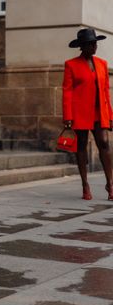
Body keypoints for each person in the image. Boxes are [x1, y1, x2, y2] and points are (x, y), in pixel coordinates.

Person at [62, 28, 113, 201]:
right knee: (81, 146)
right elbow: (67, 92)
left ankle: (110, 184)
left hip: (99, 112)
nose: (94, 46)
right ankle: (85, 184)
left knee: (104, 144)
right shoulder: (71, 64)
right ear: (82, 47)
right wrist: (68, 117)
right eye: (91, 44)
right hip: (80, 114)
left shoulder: (102, 64)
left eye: (95, 43)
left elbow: (106, 92)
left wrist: (110, 115)